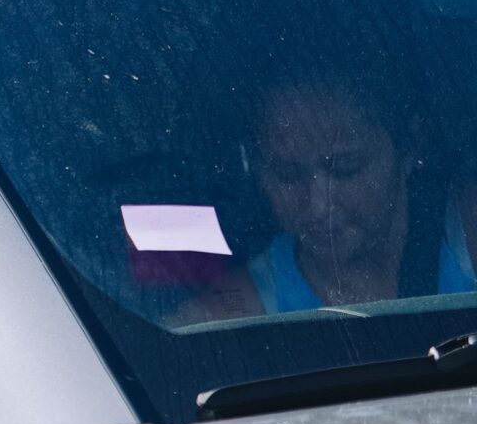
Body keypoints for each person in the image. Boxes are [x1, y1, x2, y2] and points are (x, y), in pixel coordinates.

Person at [182, 69, 477, 321]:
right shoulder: (230, 313)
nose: (318, 205)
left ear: (410, 148)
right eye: (288, 175)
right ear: (254, 170)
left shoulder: (467, 229)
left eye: (346, 169)